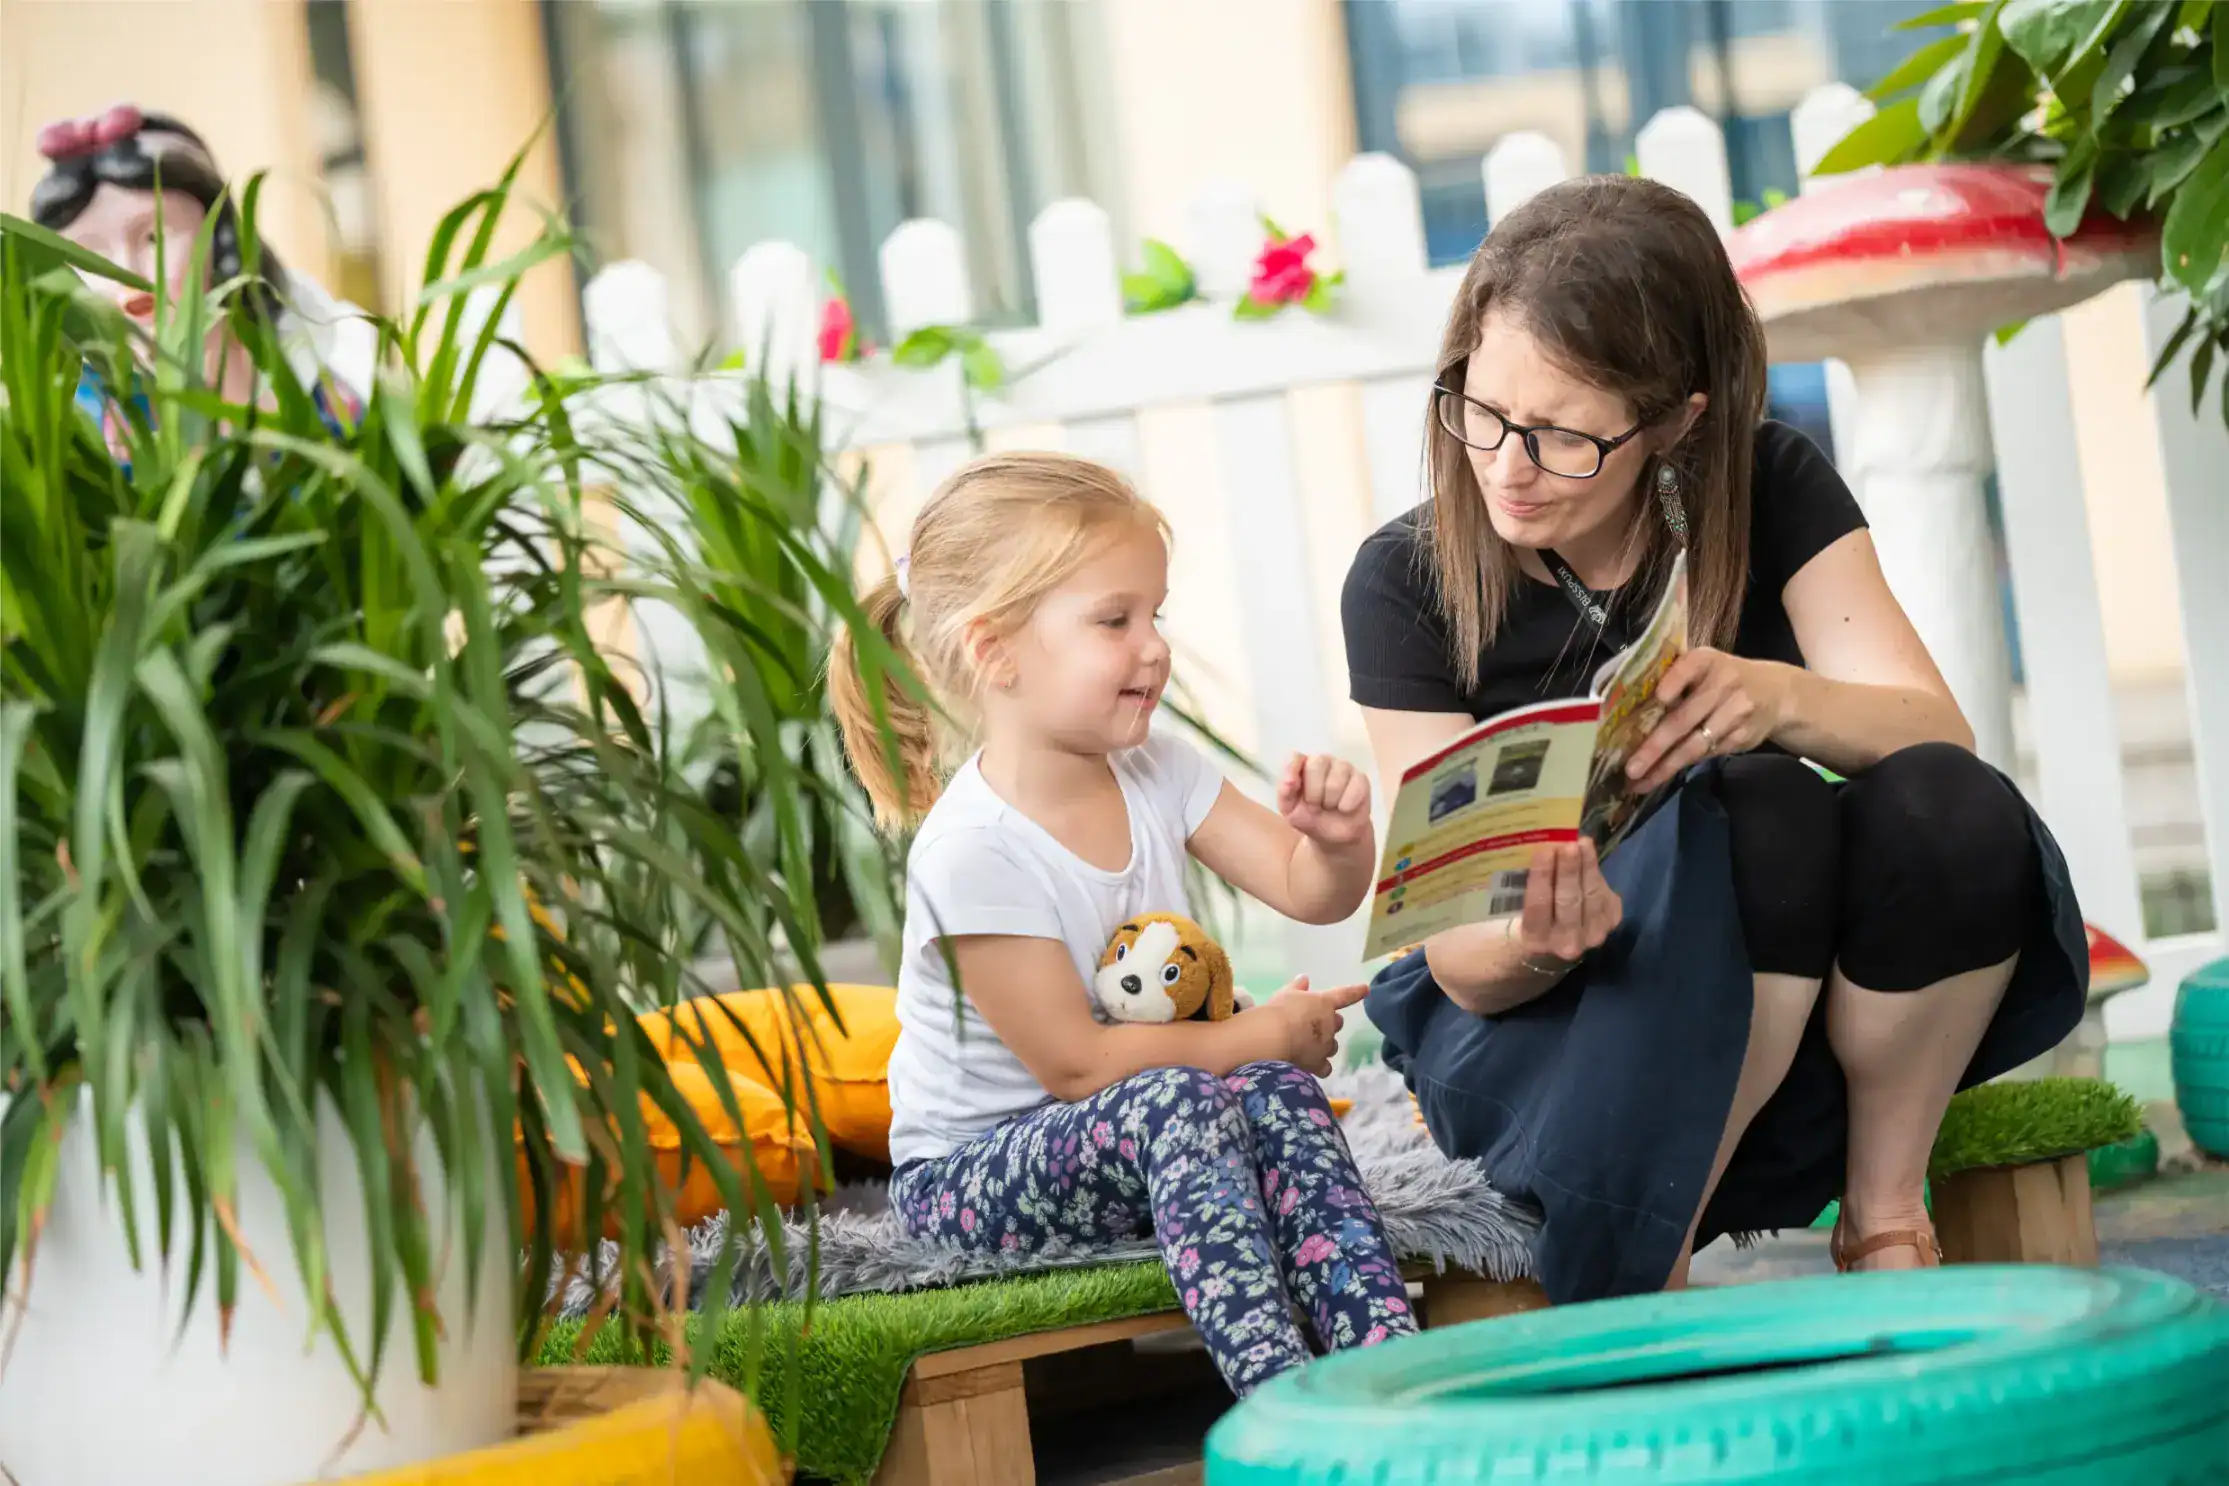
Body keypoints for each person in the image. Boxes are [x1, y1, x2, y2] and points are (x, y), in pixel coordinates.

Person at [1341, 175, 2086, 1302]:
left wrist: (1778, 699)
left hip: (1797, 1044)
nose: (1506, 466)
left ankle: (1885, 1212)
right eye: (1482, 412)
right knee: (1764, 809)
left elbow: (1940, 731)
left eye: (1562, 436)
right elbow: (1465, 963)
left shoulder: (1769, 480)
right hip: (1556, 1040)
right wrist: (1546, 938)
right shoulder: (1405, 580)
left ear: (1681, 421)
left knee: (1942, 801)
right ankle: (1653, 1259)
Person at [831, 452, 1417, 1396]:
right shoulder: (972, 848)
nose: (1152, 646)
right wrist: (1257, 1030)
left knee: (1270, 1087)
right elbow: (1076, 1068)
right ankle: (1284, 1405)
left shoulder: (1161, 771)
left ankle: (1385, 1372)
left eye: (1156, 613)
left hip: (1130, 1142)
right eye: (1114, 619)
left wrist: (1340, 842)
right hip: (971, 1180)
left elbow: (1310, 890)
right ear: (996, 653)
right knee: (1192, 1090)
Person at [30, 102, 366, 444]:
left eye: (154, 238)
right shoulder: (83, 410)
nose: (127, 273)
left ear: (217, 237)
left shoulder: (309, 348)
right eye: (89, 256)